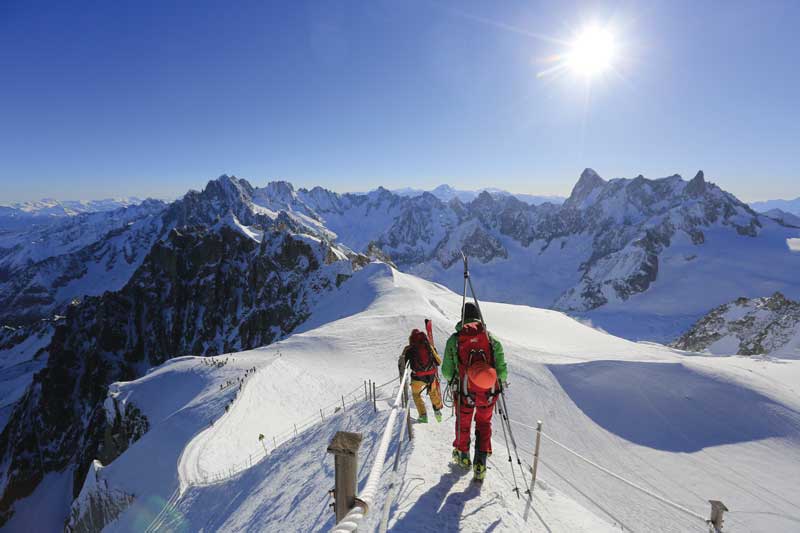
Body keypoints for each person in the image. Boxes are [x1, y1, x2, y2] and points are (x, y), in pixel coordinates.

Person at [442, 302, 507, 481]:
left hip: (464, 392)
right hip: (488, 391)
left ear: (462, 317)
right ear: (479, 316)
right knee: (484, 423)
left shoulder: (455, 340)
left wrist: (454, 379)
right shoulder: (491, 339)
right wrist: (496, 382)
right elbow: (501, 370)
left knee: (463, 422)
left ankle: (463, 456)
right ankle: (481, 462)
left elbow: (446, 371)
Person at [398, 328, 444, 423]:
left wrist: (404, 353)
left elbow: (402, 365)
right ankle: (438, 412)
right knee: (433, 392)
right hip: (431, 375)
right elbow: (438, 362)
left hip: (417, 377)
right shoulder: (429, 346)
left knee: (416, 394)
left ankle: (423, 416)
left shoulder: (409, 349)